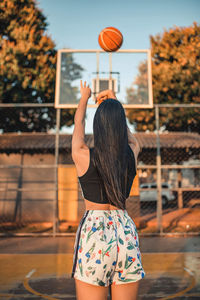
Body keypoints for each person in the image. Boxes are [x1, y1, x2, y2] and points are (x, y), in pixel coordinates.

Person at [71, 80, 145, 300]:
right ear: (120, 125)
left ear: (99, 127)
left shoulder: (83, 154)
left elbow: (78, 122)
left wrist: (85, 97)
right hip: (125, 231)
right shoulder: (131, 153)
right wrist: (114, 101)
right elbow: (132, 140)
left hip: (95, 234)